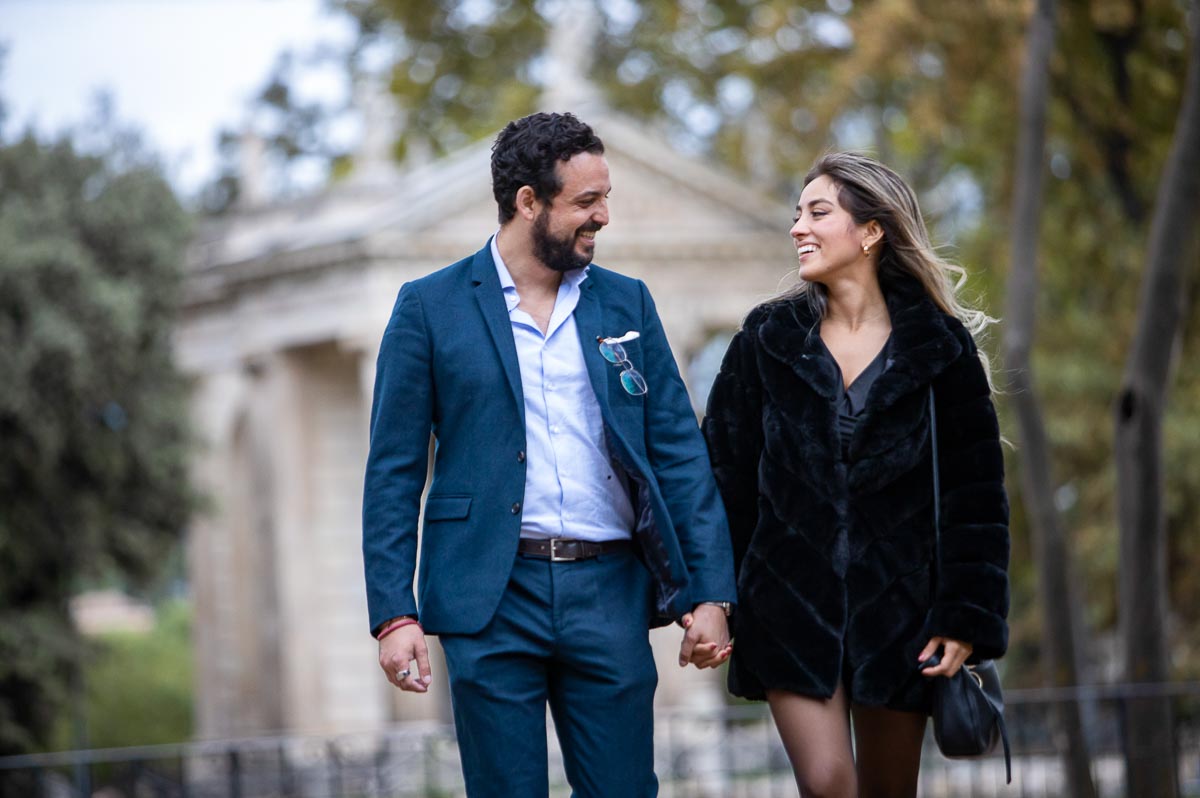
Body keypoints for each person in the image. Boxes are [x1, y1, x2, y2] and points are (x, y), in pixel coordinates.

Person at [362, 111, 736, 798]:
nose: (603, 217)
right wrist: (395, 613)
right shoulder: (428, 307)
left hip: (610, 592)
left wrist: (710, 592)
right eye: (587, 202)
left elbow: (680, 454)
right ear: (527, 202)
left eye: (606, 199)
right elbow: (392, 472)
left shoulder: (628, 304)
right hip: (490, 596)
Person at [702, 152, 1009, 798]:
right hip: (788, 607)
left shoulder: (941, 348)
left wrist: (966, 618)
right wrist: (712, 597)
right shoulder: (766, 340)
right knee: (828, 784)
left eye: (818, 212)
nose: (798, 229)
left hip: (902, 619)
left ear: (871, 231)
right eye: (796, 215)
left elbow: (974, 497)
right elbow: (721, 478)